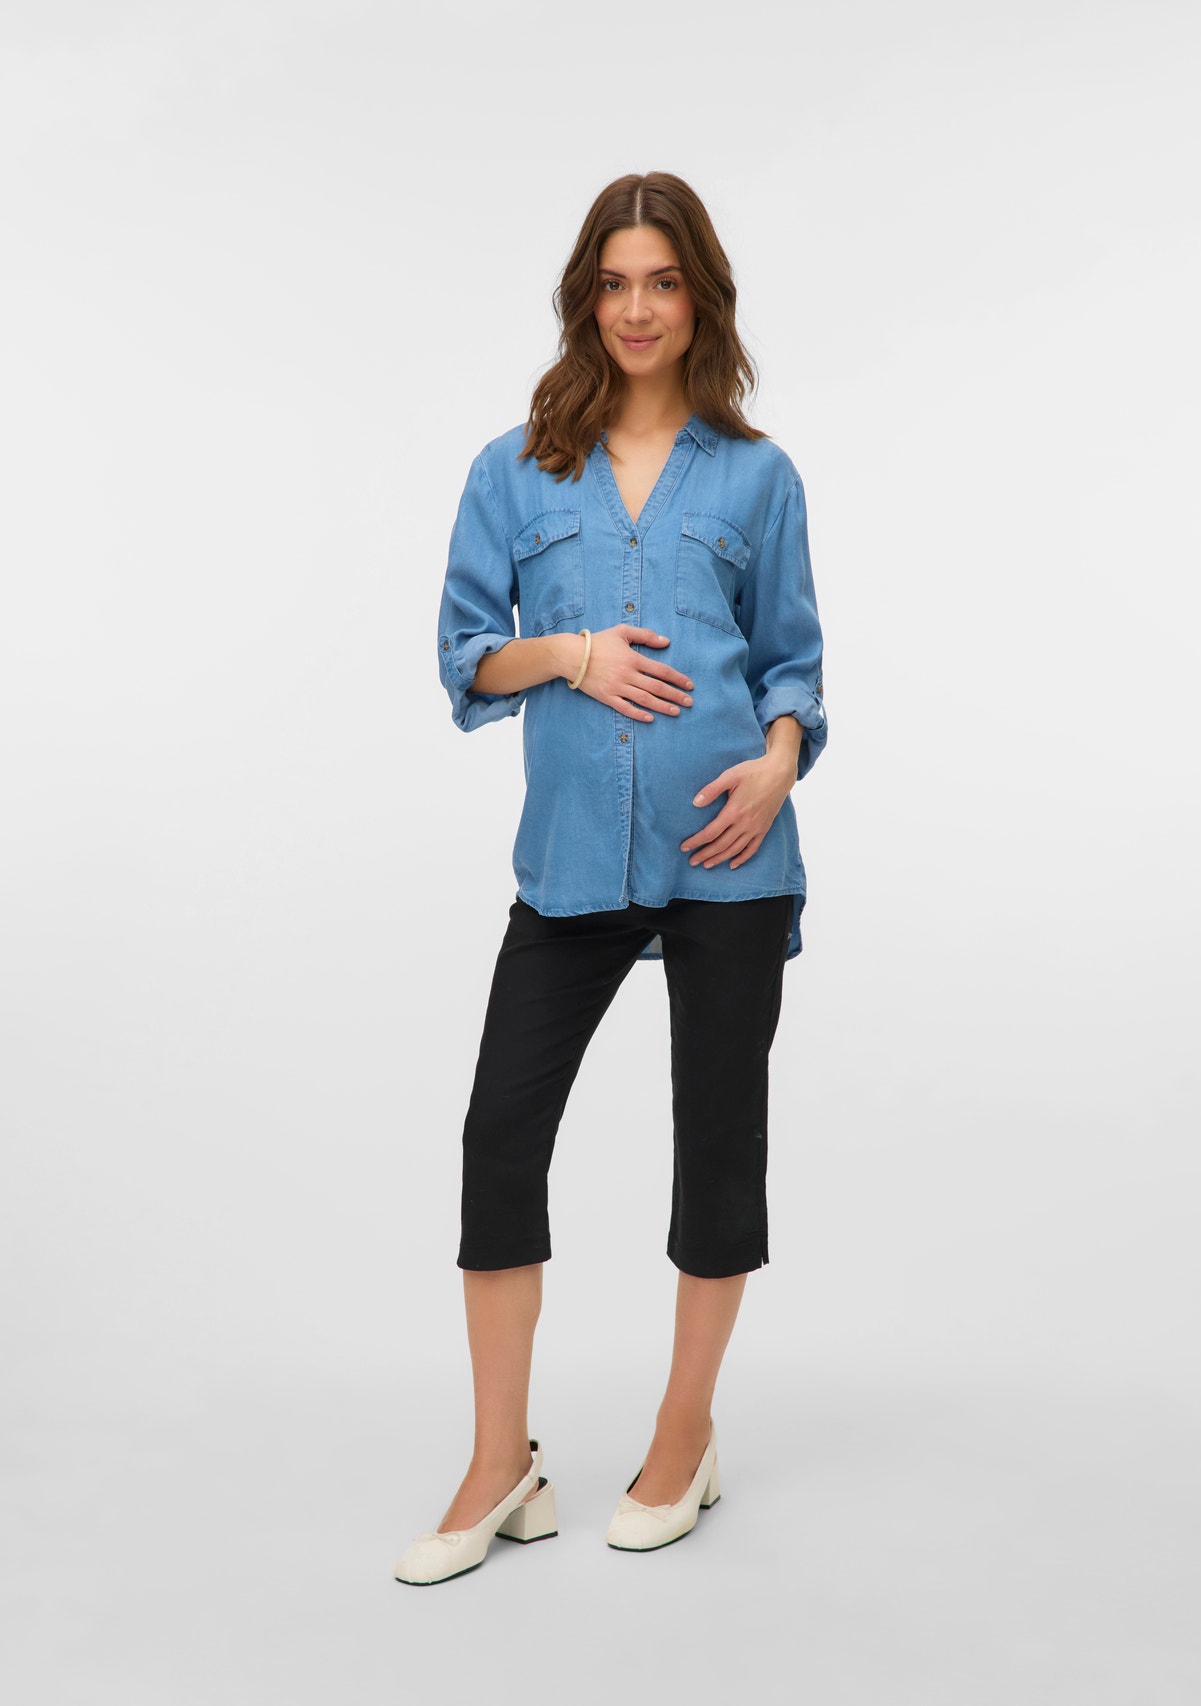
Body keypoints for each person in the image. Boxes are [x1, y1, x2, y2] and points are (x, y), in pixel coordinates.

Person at [394, 172, 827, 1585]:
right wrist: (570, 656)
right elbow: (466, 659)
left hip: (729, 856)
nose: (638, 308)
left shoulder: (757, 477)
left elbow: (793, 664)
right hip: (574, 859)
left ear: (700, 298)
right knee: (499, 1138)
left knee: (720, 1146)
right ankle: (499, 1460)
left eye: (664, 281)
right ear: (586, 297)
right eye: (615, 282)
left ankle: (683, 1436)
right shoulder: (513, 470)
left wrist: (777, 766)